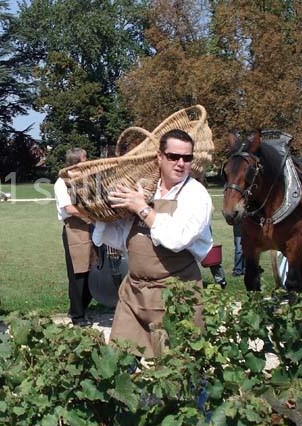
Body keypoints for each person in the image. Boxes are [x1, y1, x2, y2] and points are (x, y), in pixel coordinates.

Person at [94, 128, 213, 357]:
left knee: (181, 370)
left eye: (187, 158)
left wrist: (141, 208)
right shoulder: (145, 190)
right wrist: (102, 216)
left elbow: (175, 239)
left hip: (176, 295)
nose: (180, 163)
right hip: (134, 292)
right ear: (159, 157)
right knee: (119, 362)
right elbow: (121, 239)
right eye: (173, 156)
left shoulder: (195, 196)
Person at [54, 148, 95, 326]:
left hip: (91, 228)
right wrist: (89, 215)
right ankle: (77, 316)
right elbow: (68, 208)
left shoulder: (87, 179)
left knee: (93, 273)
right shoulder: (61, 183)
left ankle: (79, 308)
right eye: (85, 158)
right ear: (77, 161)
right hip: (75, 230)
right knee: (78, 274)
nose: (87, 160)